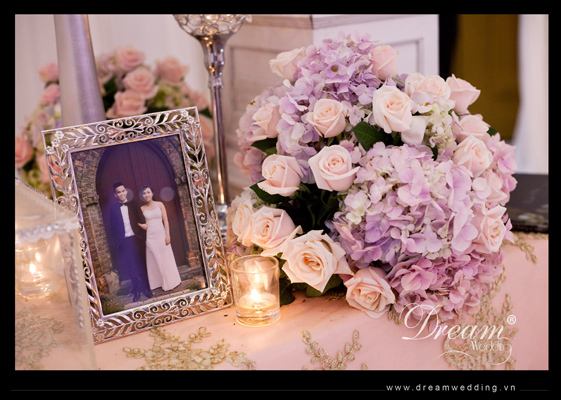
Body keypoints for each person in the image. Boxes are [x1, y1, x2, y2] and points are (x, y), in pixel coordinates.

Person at [108, 182, 152, 303]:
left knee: (142, 264)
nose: (122, 193)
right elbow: (113, 228)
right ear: (115, 195)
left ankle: (146, 288)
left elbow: (142, 221)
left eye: (123, 191)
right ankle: (136, 290)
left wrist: (142, 238)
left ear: (126, 191)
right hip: (124, 241)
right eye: (119, 192)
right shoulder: (113, 209)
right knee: (131, 266)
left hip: (136, 239)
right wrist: (118, 242)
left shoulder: (134, 204)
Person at [138, 185, 181, 292]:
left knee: (166, 258)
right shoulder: (142, 209)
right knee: (156, 259)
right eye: (144, 193)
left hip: (161, 235)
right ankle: (160, 283)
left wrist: (167, 235)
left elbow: (165, 220)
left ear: (152, 193)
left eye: (148, 192)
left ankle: (171, 282)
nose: (146, 195)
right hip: (150, 237)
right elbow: (134, 220)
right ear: (142, 196)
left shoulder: (160, 204)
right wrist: (141, 225)